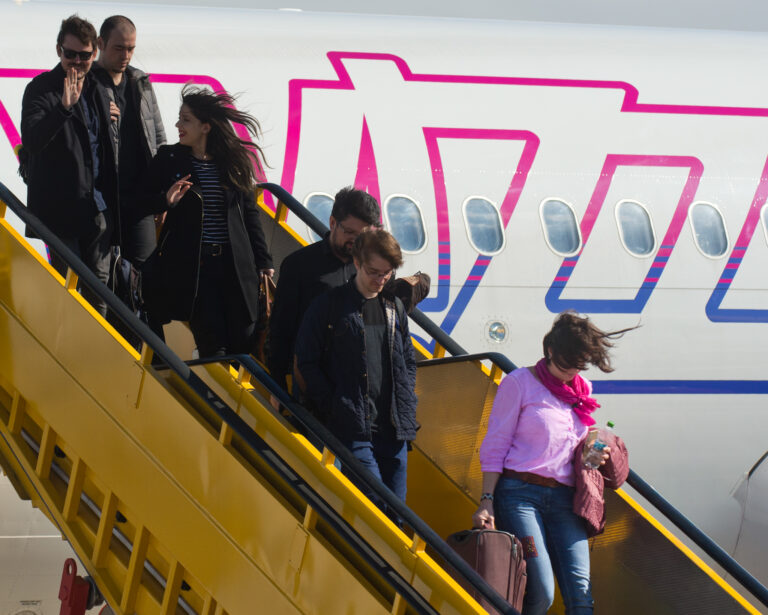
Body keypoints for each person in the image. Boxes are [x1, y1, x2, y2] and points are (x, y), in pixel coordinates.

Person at [472, 312, 634, 615]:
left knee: (581, 597)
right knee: (542, 591)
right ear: (549, 351)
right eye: (565, 363)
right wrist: (487, 500)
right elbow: (495, 444)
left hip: (565, 500)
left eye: (578, 365)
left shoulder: (581, 388)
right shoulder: (520, 382)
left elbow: (576, 437)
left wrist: (594, 452)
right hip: (520, 497)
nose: (570, 372)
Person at [141, 85, 273, 357]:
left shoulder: (233, 162)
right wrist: (165, 201)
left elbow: (250, 215)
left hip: (235, 267)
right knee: (214, 345)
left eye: (185, 119)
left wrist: (264, 261)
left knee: (244, 341)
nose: (178, 125)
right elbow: (140, 200)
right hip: (197, 270)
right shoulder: (169, 159)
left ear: (206, 127)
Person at [294, 229, 419, 507]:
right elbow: (307, 361)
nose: (380, 280)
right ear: (357, 264)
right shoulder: (328, 306)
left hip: (394, 427)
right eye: (374, 272)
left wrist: (408, 394)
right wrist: (334, 404)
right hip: (353, 427)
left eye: (387, 274)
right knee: (375, 502)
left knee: (398, 512)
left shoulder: (393, 307)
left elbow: (407, 359)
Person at [20, 15, 118, 316]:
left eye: (84, 56)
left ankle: (95, 354)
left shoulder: (98, 88)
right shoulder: (41, 89)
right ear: (58, 50)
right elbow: (33, 139)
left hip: (95, 206)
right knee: (69, 287)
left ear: (94, 54)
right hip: (59, 209)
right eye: (70, 54)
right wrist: (63, 108)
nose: (77, 61)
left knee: (100, 288)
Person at [268, 186, 380, 391]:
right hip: (312, 380)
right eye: (349, 232)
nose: (355, 240)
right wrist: (277, 384)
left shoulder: (372, 268)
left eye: (362, 235)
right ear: (332, 223)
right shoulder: (299, 265)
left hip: (357, 382)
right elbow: (280, 329)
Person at [94, 15, 166, 265]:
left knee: (144, 269)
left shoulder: (140, 82)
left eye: (131, 49)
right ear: (100, 43)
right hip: (102, 197)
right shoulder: (88, 82)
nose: (126, 55)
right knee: (100, 276)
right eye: (119, 48)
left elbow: (157, 136)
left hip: (139, 196)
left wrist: (161, 192)